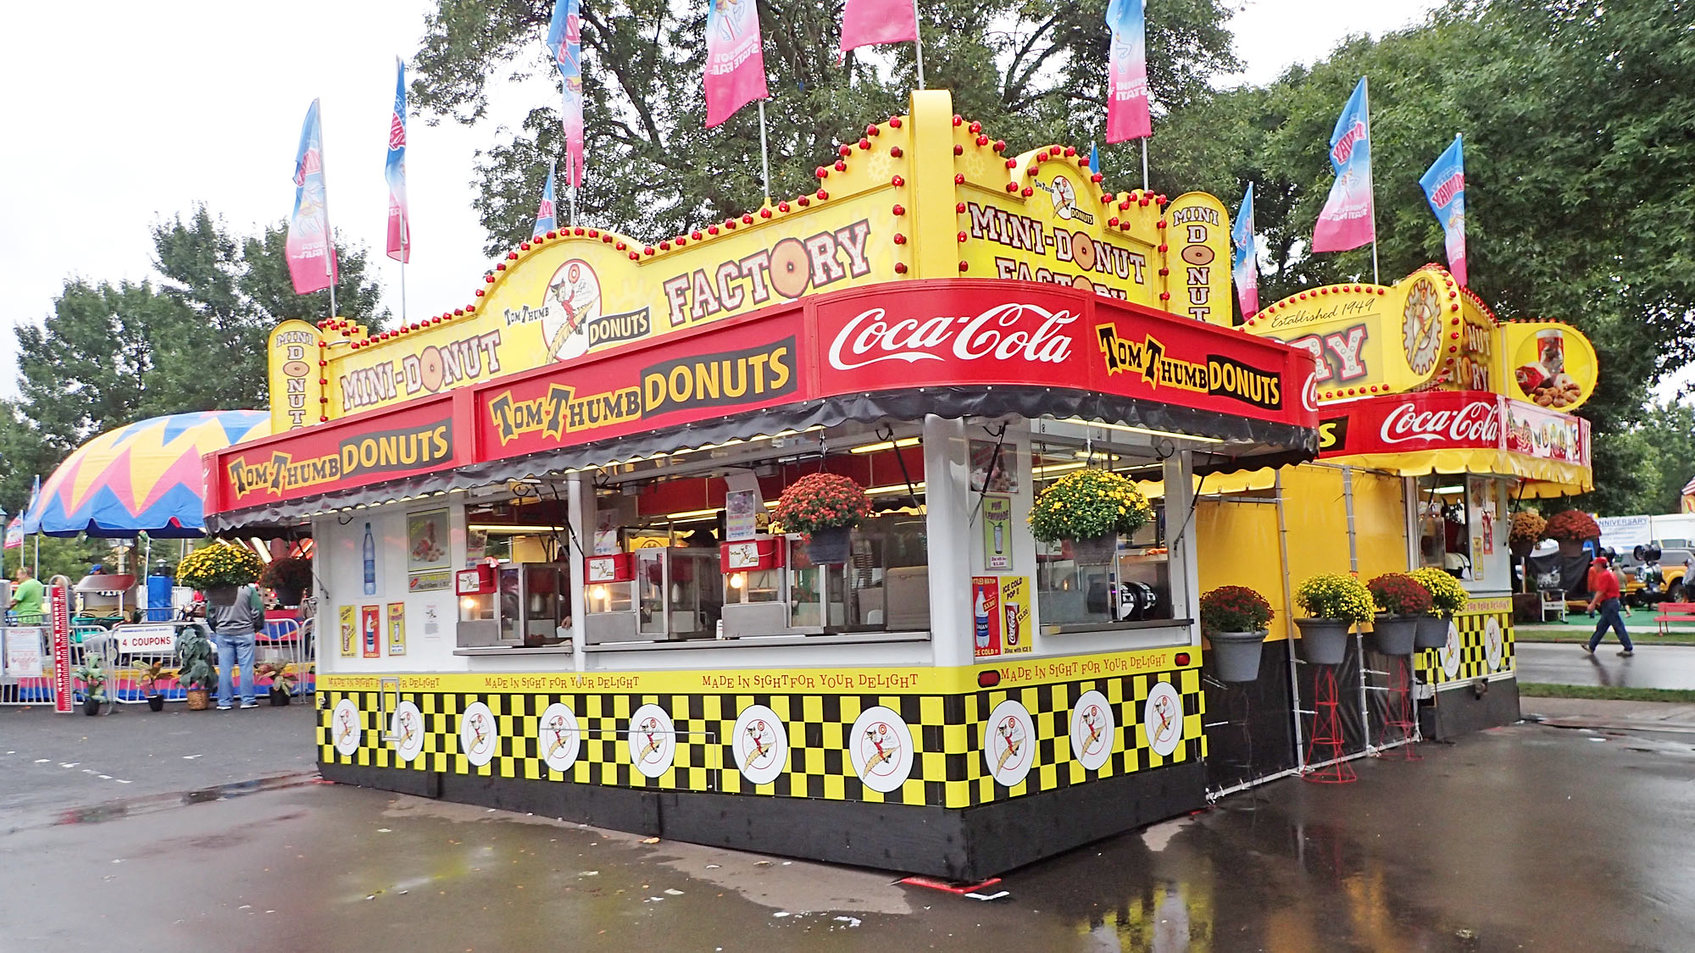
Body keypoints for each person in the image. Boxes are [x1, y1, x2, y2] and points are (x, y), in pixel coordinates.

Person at [207, 583, 266, 710]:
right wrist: (255, 627)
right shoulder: (248, 590)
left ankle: (224, 701)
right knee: (246, 668)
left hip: (223, 633)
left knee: (225, 668)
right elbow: (258, 611)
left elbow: (210, 614)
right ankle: (247, 699)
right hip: (245, 632)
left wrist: (217, 628)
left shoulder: (216, 589)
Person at [1583, 556, 1634, 657]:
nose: (1594, 567)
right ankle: (1591, 646)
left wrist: (1593, 603)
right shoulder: (1610, 574)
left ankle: (1628, 647)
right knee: (1602, 626)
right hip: (1611, 603)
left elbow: (1601, 591)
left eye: (1595, 565)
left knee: (1617, 626)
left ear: (1599, 565)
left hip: (1609, 603)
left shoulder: (1604, 575)